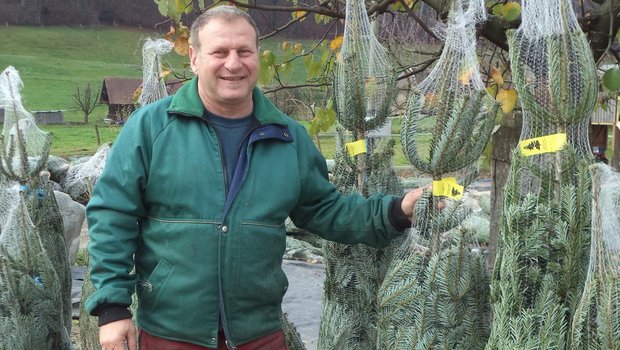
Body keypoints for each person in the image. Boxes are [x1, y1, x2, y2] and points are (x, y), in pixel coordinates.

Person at [85, 5, 424, 350]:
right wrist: (113, 309)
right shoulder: (152, 128)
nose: (233, 63)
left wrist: (397, 211)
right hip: (172, 332)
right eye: (219, 51)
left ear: (257, 57)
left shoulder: (287, 137)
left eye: (243, 51)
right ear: (194, 58)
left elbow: (326, 210)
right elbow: (113, 213)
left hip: (257, 334)